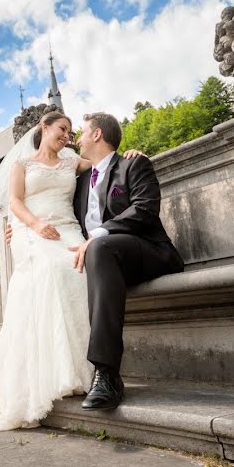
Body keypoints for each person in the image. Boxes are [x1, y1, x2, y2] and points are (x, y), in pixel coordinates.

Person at [0, 111, 144, 436]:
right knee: (53, 269)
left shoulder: (72, 161)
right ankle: (54, 373)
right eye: (62, 129)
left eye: (71, 132)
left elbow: (106, 162)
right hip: (32, 231)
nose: (67, 136)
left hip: (67, 229)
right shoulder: (22, 166)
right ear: (44, 128)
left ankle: (87, 372)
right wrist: (33, 224)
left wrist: (132, 154)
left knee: (81, 270)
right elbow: (15, 202)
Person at [68, 113, 184, 410]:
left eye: (81, 132)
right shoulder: (80, 182)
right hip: (105, 260)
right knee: (88, 255)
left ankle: (106, 373)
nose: (76, 139)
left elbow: (145, 210)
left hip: (148, 251)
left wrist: (97, 235)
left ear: (96, 135)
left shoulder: (133, 164)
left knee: (98, 248)